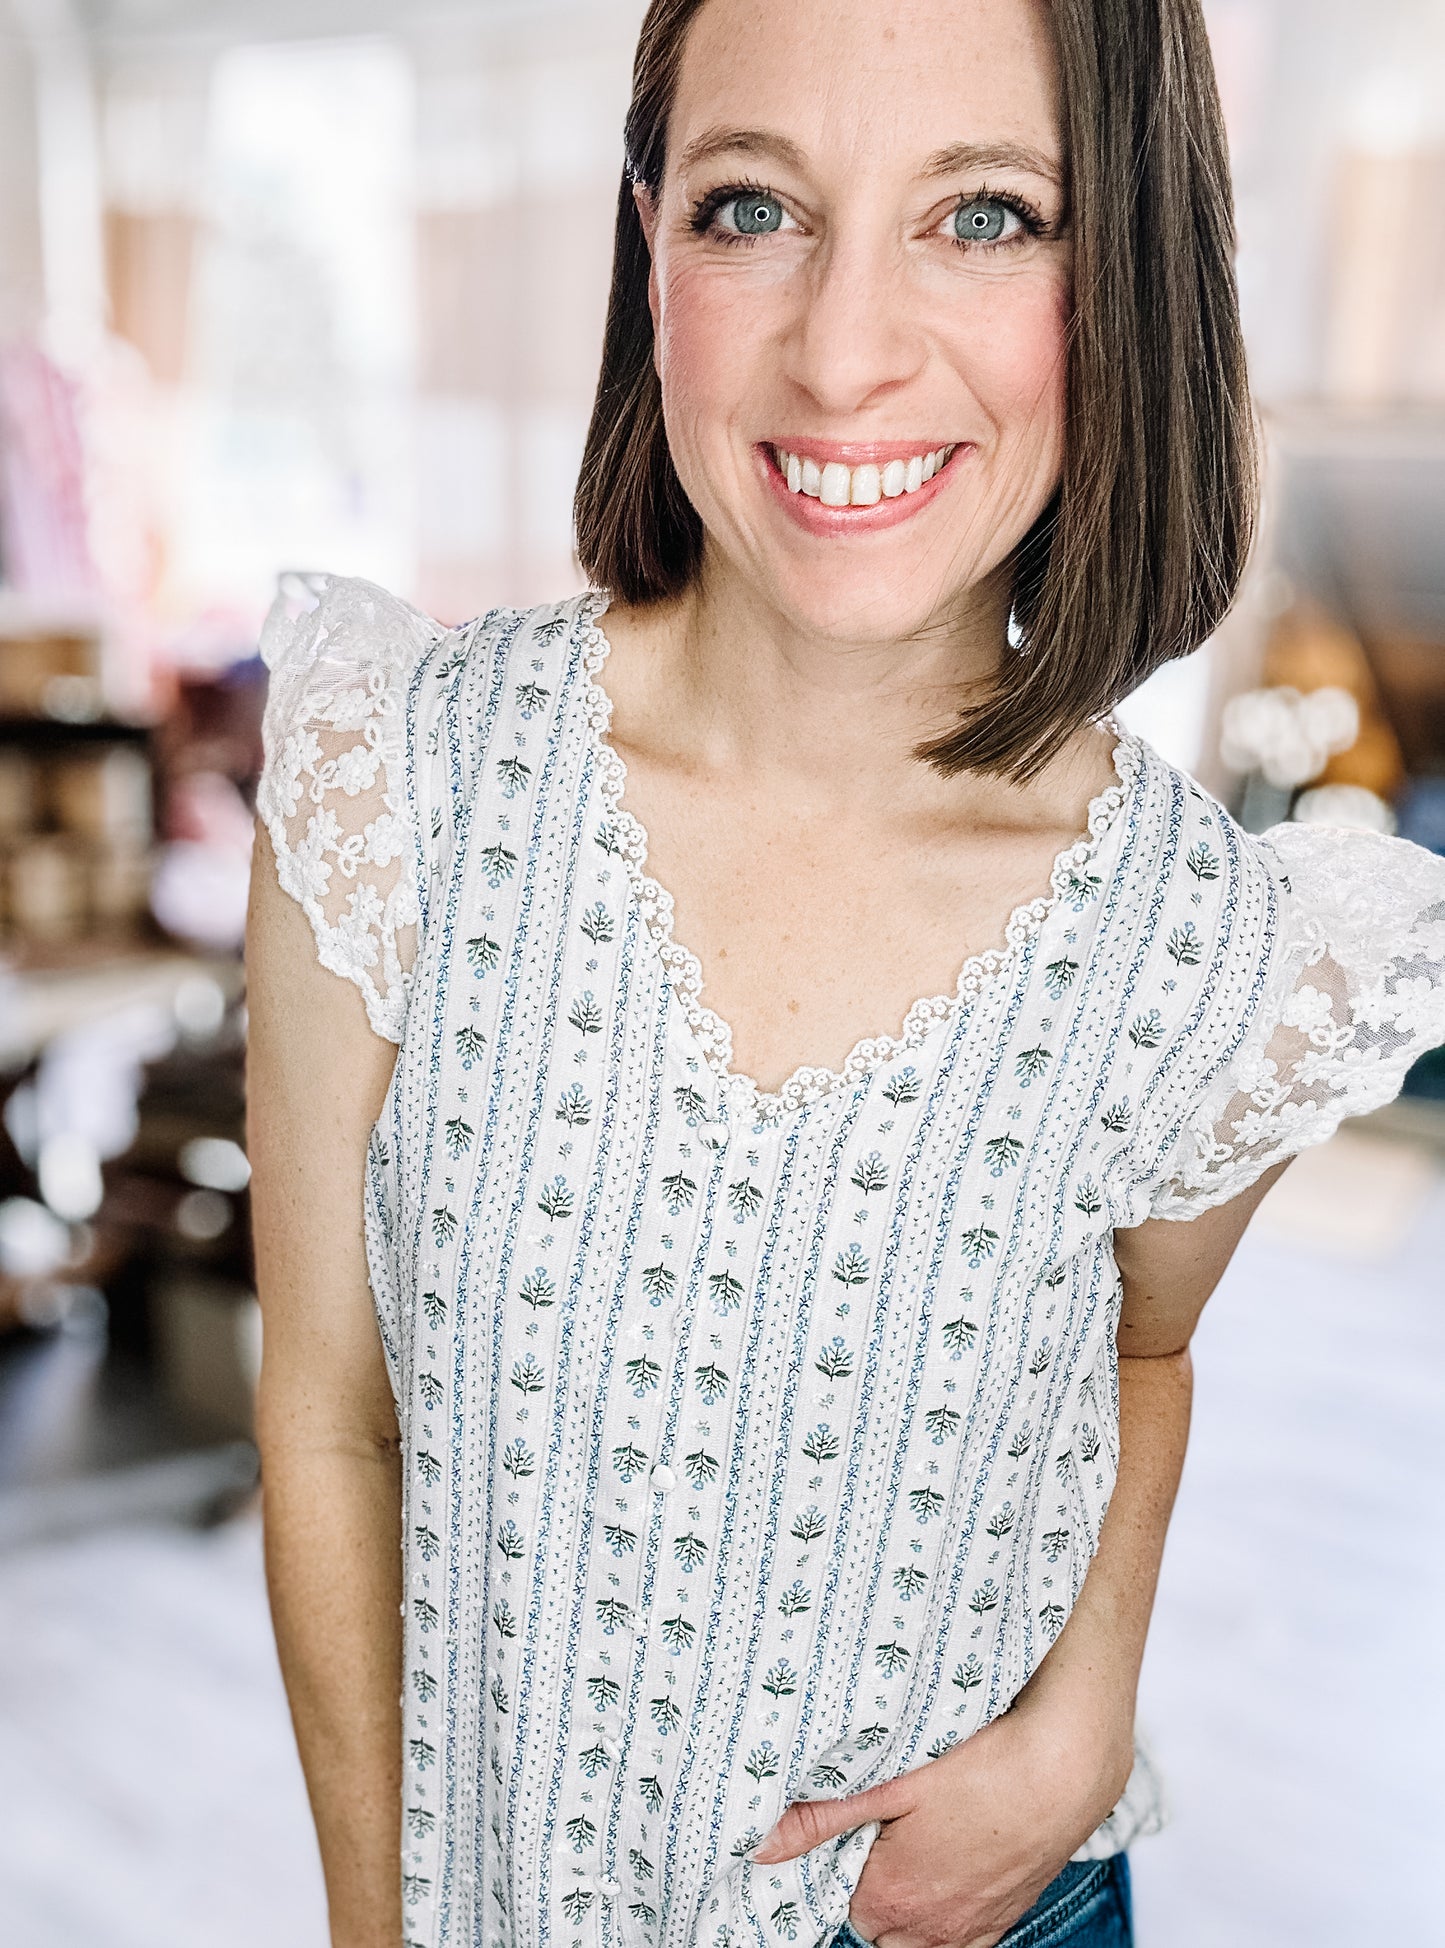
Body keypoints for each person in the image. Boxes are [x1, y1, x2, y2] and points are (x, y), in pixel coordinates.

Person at [244, 2, 1445, 1945]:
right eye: (753, 206)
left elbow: (1141, 1352)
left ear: (1129, 267)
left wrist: (1084, 1713)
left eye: (984, 213)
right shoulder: (403, 780)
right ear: (650, 245)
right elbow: (321, 1414)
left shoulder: (1210, 947)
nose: (844, 347)